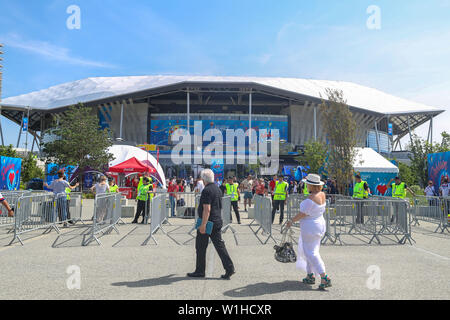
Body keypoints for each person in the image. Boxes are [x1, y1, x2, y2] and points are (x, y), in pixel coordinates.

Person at [286, 174, 332, 291]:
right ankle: (310, 274)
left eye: (307, 184)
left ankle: (324, 276)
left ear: (311, 185)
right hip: (319, 224)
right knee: (311, 251)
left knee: (311, 253)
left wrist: (291, 221)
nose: (306, 185)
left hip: (311, 227)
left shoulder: (309, 200)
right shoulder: (322, 194)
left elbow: (302, 214)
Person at [187, 169, 235, 280]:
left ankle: (200, 271)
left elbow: (206, 209)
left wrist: (203, 225)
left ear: (203, 179)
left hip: (208, 222)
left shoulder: (206, 191)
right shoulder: (218, 189)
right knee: (219, 246)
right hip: (217, 221)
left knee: (200, 246)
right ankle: (229, 268)